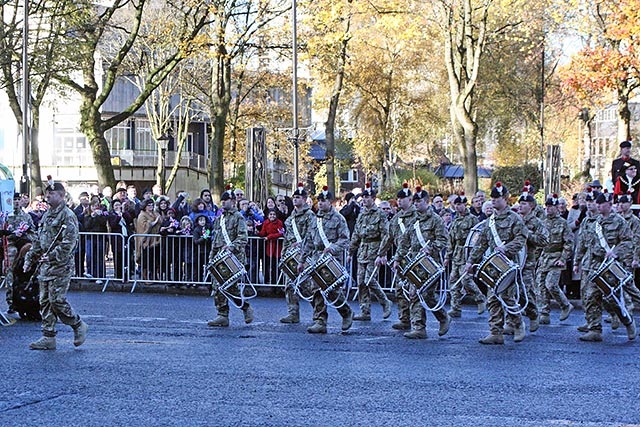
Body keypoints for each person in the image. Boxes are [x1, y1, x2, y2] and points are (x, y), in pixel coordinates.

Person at [23, 181, 88, 350]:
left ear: (61, 195)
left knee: (56, 300)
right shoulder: (47, 215)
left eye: (51, 194)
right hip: (46, 266)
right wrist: (30, 257)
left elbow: (69, 243)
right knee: (44, 301)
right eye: (46, 194)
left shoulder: (67, 215)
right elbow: (39, 240)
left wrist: (51, 256)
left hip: (61, 265)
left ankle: (78, 324)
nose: (47, 197)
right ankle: (48, 336)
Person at [465, 182, 527, 345]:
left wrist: (506, 248)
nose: (493, 201)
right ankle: (495, 332)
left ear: (505, 199)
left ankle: (518, 324)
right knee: (492, 298)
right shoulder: (489, 221)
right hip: (493, 265)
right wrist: (470, 261)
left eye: (497, 198)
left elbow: (521, 239)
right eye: (492, 198)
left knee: (507, 297)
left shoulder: (515, 218)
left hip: (508, 263)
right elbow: (481, 244)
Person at [573, 190, 637, 342]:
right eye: (598, 203)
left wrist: (616, 252)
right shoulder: (595, 222)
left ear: (609, 205)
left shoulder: (619, 221)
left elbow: (628, 241)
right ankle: (595, 329)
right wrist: (578, 260)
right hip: (595, 264)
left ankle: (628, 321)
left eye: (601, 204)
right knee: (590, 296)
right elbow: (584, 242)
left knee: (611, 298)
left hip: (611, 265)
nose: (598, 206)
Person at [393, 186, 451, 339]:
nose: (416, 204)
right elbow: (404, 242)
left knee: (427, 295)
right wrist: (398, 258)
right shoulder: (413, 221)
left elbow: (443, 240)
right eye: (415, 201)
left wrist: (430, 248)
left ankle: (443, 317)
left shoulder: (436, 220)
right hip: (415, 264)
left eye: (419, 201)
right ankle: (419, 328)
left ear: (427, 202)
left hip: (431, 264)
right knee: (414, 293)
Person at [298, 186, 353, 334]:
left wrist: (333, 248)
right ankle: (320, 321)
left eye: (324, 201)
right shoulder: (315, 219)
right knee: (316, 289)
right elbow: (308, 241)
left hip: (332, 260)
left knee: (331, 290)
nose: (321, 203)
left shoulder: (338, 219)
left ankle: (346, 312)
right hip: (317, 259)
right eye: (319, 201)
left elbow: (345, 239)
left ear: (330, 202)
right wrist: (302, 260)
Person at [207, 186, 253, 327]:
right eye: (222, 200)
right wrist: (211, 258)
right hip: (220, 258)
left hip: (234, 258)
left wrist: (232, 246)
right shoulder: (219, 219)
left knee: (230, 288)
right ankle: (222, 315)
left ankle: (245, 307)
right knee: (217, 287)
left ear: (232, 201)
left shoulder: (238, 217)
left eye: (225, 200)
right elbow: (216, 240)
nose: (223, 203)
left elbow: (243, 237)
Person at [348, 182, 392, 321]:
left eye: (367, 197)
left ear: (373, 198)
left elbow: (386, 234)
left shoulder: (380, 214)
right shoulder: (361, 215)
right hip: (362, 251)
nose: (365, 199)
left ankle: (385, 302)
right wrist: (350, 252)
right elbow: (356, 234)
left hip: (375, 250)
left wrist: (382, 253)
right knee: (361, 281)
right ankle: (365, 311)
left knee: (369, 280)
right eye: (363, 197)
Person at [507, 188, 548, 334]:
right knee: (508, 290)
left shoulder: (536, 222)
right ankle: (511, 322)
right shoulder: (513, 219)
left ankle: (533, 313)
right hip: (512, 262)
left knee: (524, 291)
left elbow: (544, 240)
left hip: (528, 262)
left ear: (531, 206)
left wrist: (528, 234)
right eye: (520, 203)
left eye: (524, 203)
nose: (521, 206)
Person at [378, 183, 417, 330]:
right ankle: (404, 318)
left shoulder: (417, 215)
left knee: (415, 292)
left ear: (410, 199)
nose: (400, 201)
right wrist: (381, 254)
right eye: (398, 199)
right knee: (400, 289)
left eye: (403, 198)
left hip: (414, 257)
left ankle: (418, 323)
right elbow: (388, 237)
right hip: (400, 258)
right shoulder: (396, 219)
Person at [444, 192, 486, 319]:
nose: (458, 207)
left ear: (465, 205)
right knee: (453, 281)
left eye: (460, 204)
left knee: (466, 279)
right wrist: (447, 256)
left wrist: (473, 257)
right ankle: (455, 308)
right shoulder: (455, 220)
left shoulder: (472, 219)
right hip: (457, 254)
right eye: (456, 204)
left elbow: (476, 238)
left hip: (467, 253)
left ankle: (480, 299)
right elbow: (451, 240)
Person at [279, 183, 316, 324]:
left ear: (305, 199)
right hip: (291, 256)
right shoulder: (290, 219)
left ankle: (318, 312)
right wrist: (284, 255)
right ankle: (293, 313)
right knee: (289, 285)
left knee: (307, 286)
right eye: (294, 197)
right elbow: (287, 238)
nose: (295, 199)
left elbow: (312, 234)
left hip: (304, 256)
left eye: (298, 197)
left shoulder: (310, 215)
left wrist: (301, 246)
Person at [537, 194, 574, 325]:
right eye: (547, 206)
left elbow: (569, 242)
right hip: (544, 258)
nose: (548, 209)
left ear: (557, 208)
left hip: (556, 257)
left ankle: (565, 305)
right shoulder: (542, 221)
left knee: (551, 284)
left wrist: (563, 258)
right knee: (541, 285)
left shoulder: (563, 223)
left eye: (551, 206)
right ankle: (544, 312)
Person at [2, 192, 36, 312]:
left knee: (22, 273)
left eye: (18, 199)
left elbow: (33, 231)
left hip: (23, 246)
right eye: (14, 199)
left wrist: (27, 237)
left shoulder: (26, 216)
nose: (16, 202)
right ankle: (11, 302)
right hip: (10, 245)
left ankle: (22, 298)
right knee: (10, 273)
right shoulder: (6, 215)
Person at [258, 209, 284, 284]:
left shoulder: (279, 222)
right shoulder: (266, 222)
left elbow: (280, 233)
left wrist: (269, 237)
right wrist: (258, 233)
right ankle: (270, 282)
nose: (272, 216)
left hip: (277, 247)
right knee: (270, 266)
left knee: (277, 267)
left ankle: (278, 283)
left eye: (274, 214)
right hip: (269, 248)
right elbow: (263, 232)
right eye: (271, 214)